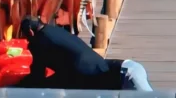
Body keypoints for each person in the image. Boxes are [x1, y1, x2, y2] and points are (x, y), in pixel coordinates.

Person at [21, 17, 151, 91]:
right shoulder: (56, 31)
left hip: (127, 75)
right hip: (128, 68)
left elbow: (37, 74)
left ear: (31, 32)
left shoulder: (39, 41)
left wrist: (17, 87)